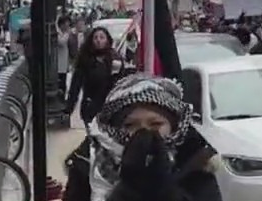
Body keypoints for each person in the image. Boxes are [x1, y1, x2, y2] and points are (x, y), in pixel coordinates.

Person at [62, 74, 221, 201]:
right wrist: (127, 190)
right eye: (130, 125)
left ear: (173, 127)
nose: (144, 131)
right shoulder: (87, 164)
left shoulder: (195, 162)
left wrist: (165, 190)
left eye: (156, 124)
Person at [66, 27, 120, 126]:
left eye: (102, 37)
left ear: (107, 40)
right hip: (90, 107)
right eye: (95, 38)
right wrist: (69, 108)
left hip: (110, 107)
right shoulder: (85, 59)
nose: (98, 40)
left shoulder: (114, 58)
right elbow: (75, 85)